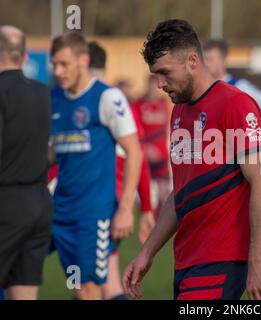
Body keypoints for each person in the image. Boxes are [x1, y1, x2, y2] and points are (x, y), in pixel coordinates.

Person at [122, 19, 261, 300]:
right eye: (156, 75)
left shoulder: (236, 104)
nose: (160, 84)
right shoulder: (179, 112)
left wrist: (256, 261)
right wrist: (147, 253)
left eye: (165, 73)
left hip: (222, 259)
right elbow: (180, 193)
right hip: (186, 260)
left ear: (193, 60)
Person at [49, 31, 142, 300]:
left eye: (64, 64)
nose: (58, 70)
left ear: (83, 60)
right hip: (57, 210)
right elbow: (52, 153)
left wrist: (126, 208)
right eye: (54, 64)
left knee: (87, 288)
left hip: (94, 215)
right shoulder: (54, 97)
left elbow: (134, 152)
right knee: (15, 262)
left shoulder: (107, 98)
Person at [88, 41, 155, 300]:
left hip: (103, 207)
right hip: (104, 206)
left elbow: (136, 156)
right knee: (97, 282)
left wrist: (141, 208)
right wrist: (146, 208)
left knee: (96, 284)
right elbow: (140, 159)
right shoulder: (122, 105)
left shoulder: (105, 102)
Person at [0, 25, 52, 300]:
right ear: (23, 55)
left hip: (6, 202)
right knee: (23, 293)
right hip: (39, 203)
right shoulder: (45, 93)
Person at [203, 39, 261, 126]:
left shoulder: (240, 86)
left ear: (224, 60)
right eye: (204, 60)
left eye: (210, 59)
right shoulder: (202, 89)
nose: (206, 64)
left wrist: (250, 127)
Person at [133, 75, 171, 220]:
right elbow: (135, 131)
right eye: (151, 86)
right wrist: (145, 147)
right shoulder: (138, 104)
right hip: (145, 155)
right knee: (143, 190)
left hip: (161, 155)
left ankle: (160, 222)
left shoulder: (164, 103)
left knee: (164, 192)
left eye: (157, 87)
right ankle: (143, 217)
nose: (154, 90)